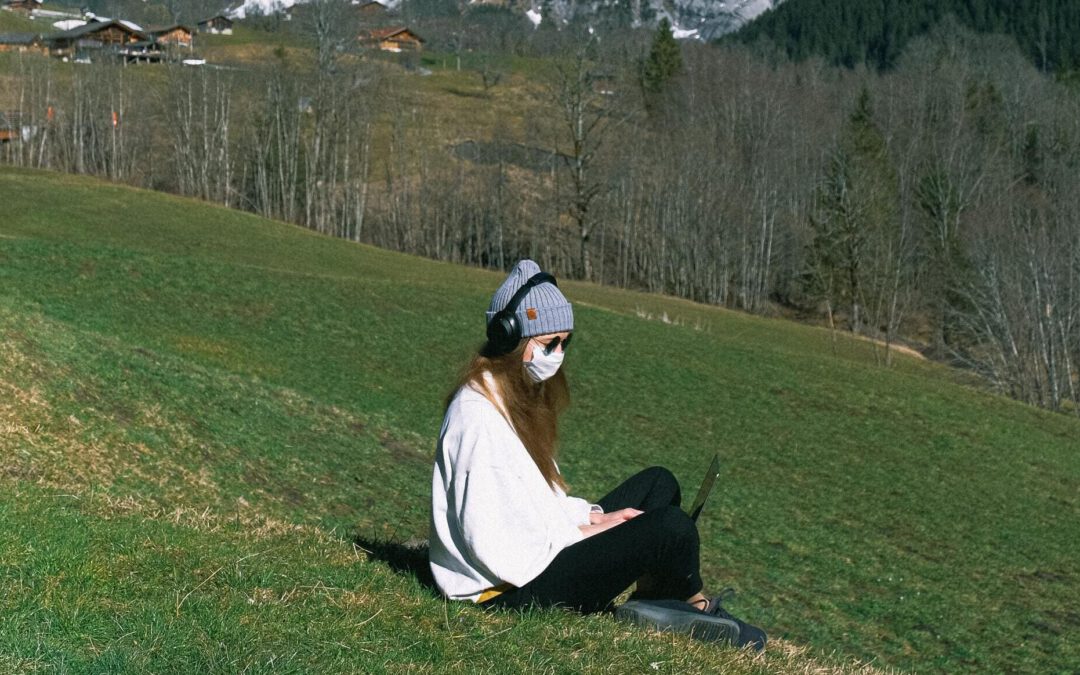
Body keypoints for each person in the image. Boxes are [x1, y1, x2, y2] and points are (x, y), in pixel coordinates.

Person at [428, 260, 766, 650]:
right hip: (507, 593)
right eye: (549, 344)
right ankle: (698, 606)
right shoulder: (477, 418)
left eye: (564, 344)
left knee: (659, 482)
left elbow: (534, 498)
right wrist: (589, 532)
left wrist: (587, 516)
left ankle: (655, 602)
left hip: (535, 558)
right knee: (671, 527)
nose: (558, 355)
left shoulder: (508, 399)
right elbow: (497, 542)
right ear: (511, 339)